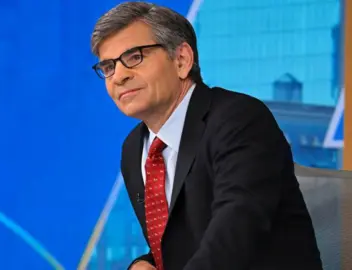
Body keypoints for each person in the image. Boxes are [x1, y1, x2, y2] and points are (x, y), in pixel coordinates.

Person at [90, 2, 322, 270]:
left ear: (181, 60)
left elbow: (234, 236)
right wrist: (143, 264)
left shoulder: (239, 120)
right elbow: (183, 242)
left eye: (134, 57)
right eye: (108, 67)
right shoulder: (134, 149)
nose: (118, 76)